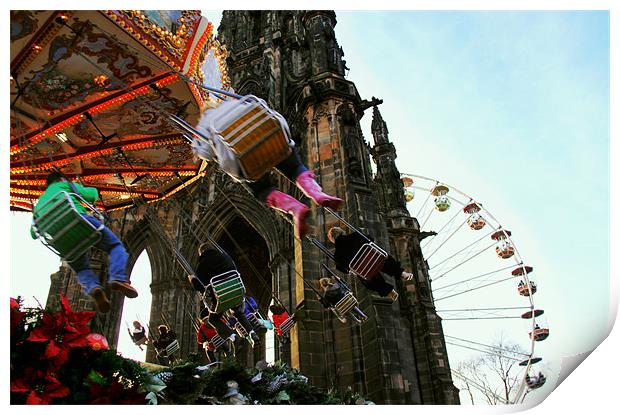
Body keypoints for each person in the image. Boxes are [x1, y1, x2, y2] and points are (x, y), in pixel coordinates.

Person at [191, 95, 343, 237]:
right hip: (273, 139)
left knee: (262, 190)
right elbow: (260, 104)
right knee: (294, 167)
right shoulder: (234, 102)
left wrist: (196, 147)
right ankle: (317, 193)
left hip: (245, 160)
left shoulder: (205, 123)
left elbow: (206, 154)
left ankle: (294, 208)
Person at [30, 171, 138, 313]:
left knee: (80, 268)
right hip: (80, 223)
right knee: (115, 246)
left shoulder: (39, 204)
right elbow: (92, 195)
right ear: (61, 179)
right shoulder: (65, 185)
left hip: (62, 241)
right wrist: (88, 189)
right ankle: (118, 278)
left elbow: (33, 233)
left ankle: (94, 287)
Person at [188, 242, 259, 346]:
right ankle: (253, 334)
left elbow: (201, 288)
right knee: (238, 312)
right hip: (236, 292)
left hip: (220, 298)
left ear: (201, 253)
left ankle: (234, 337)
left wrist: (193, 280)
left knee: (213, 319)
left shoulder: (203, 263)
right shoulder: (226, 257)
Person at [327, 226, 413, 302]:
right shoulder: (355, 235)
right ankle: (402, 273)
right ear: (342, 232)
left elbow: (345, 270)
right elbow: (370, 239)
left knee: (366, 278)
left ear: (333, 240)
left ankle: (387, 290)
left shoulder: (337, 256)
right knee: (384, 259)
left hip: (366, 272)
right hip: (376, 260)